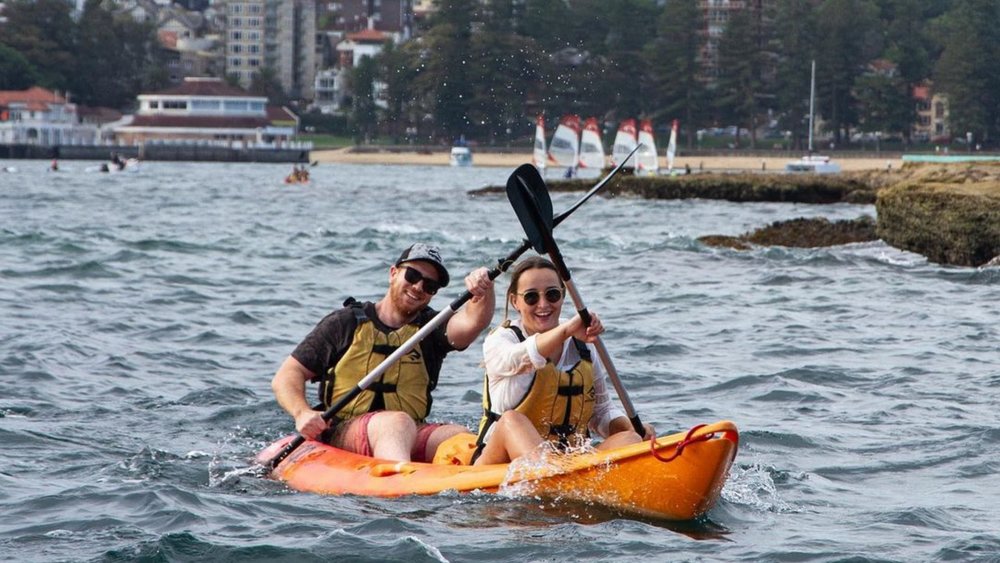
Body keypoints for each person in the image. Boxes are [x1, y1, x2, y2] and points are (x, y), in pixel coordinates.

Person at [271, 243, 495, 462]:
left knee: (458, 436)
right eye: (412, 275)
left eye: (429, 286)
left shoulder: (432, 327)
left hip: (409, 430)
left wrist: (483, 290)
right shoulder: (344, 323)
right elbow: (288, 374)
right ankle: (399, 489)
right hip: (344, 431)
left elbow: (473, 321)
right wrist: (302, 413)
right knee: (396, 423)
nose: (418, 287)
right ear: (393, 273)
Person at [436, 256, 655, 466]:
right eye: (531, 297)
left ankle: (573, 478)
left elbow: (601, 410)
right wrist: (566, 330)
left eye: (552, 295)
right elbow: (523, 357)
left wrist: (631, 428)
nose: (543, 304)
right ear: (515, 301)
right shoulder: (501, 340)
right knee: (512, 420)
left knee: (629, 439)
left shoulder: (583, 345)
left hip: (569, 461)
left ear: (562, 296)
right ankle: (555, 477)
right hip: (500, 461)